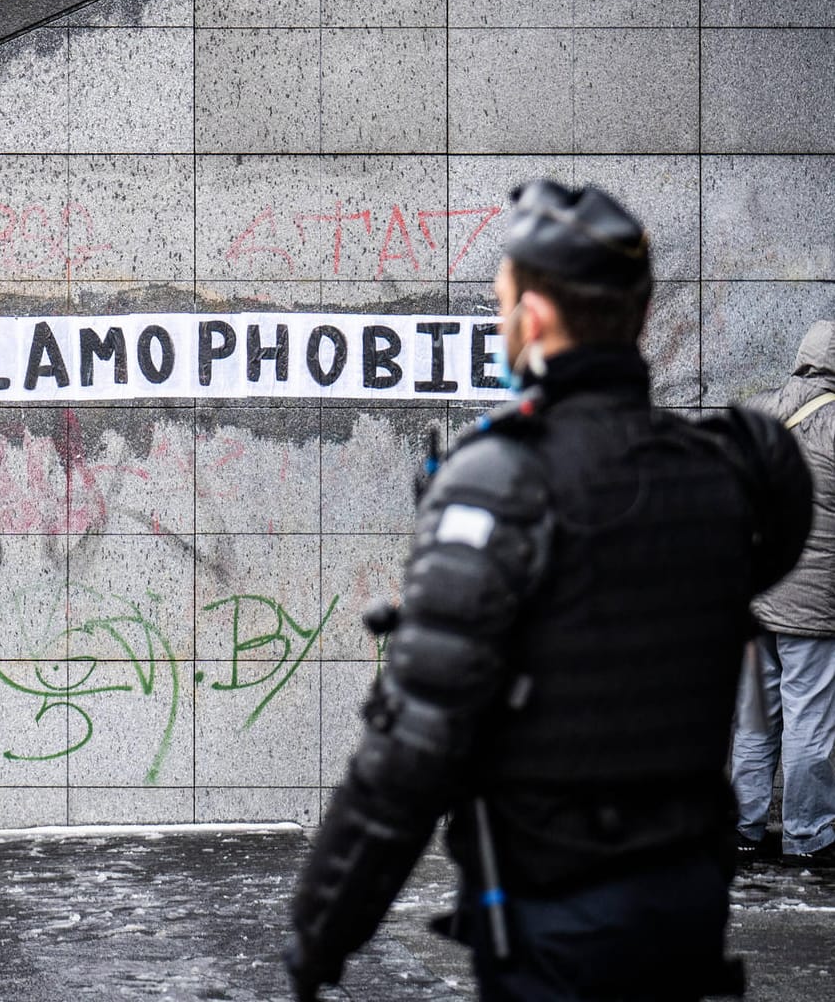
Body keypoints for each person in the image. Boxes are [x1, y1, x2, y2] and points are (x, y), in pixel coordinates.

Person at [284, 180, 814, 1001]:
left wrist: (319, 935)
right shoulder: (721, 471)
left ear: (532, 320)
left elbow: (410, 754)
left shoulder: (500, 482)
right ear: (638, 316)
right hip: (688, 906)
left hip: (556, 920)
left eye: (502, 305)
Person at [733, 320, 835, 867]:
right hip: (811, 606)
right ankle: (808, 834)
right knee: (809, 719)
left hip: (755, 599)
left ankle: (743, 830)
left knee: (754, 719)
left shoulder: (761, 413)